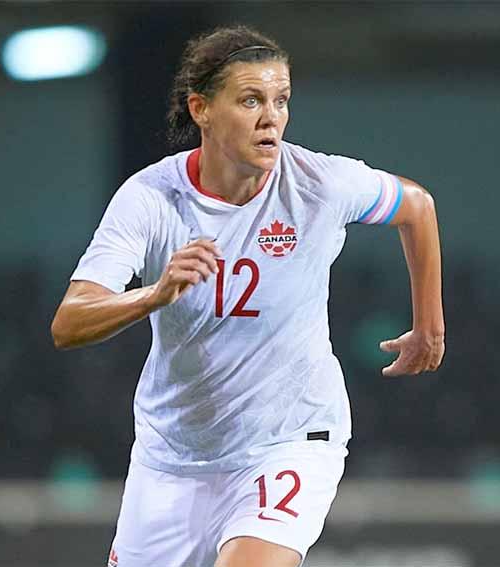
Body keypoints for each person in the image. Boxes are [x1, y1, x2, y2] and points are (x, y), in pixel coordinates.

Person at [51, 25, 444, 567]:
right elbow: (69, 322)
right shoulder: (149, 198)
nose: (272, 118)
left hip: (287, 440)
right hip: (173, 456)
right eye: (251, 100)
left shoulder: (317, 184)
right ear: (201, 109)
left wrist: (430, 327)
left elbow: (417, 207)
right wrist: (155, 294)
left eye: (281, 100)